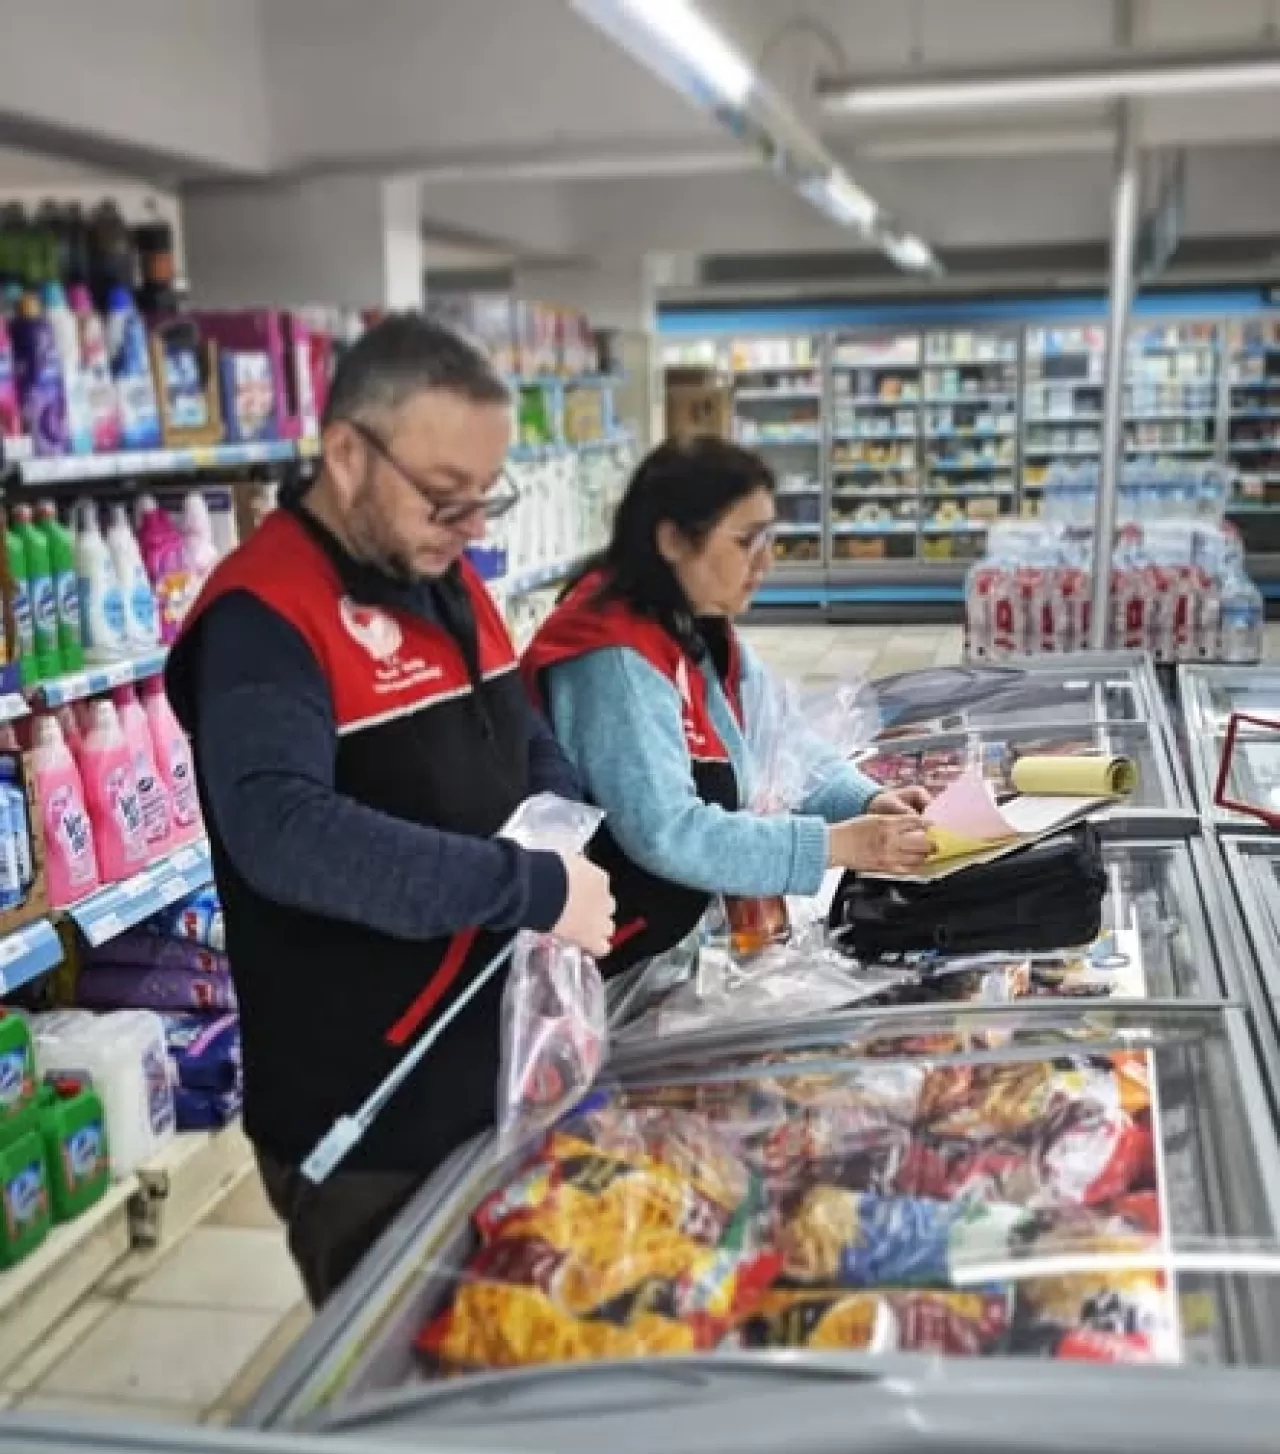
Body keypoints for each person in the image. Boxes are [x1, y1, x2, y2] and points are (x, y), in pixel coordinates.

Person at [165, 313, 614, 1307]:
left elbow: (516, 726)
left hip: (494, 1066)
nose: (474, 526)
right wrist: (530, 886)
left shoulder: (442, 571)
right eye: (446, 496)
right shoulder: (260, 621)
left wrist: (560, 813)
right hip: (371, 1113)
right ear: (344, 453)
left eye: (486, 496)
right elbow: (282, 832)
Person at [522, 436, 931, 977]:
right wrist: (831, 846)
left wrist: (867, 803)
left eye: (769, 539)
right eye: (746, 541)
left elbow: (778, 740)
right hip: (612, 967)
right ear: (672, 540)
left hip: (673, 944)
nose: (765, 562)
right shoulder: (613, 657)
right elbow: (667, 833)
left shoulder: (692, 625)